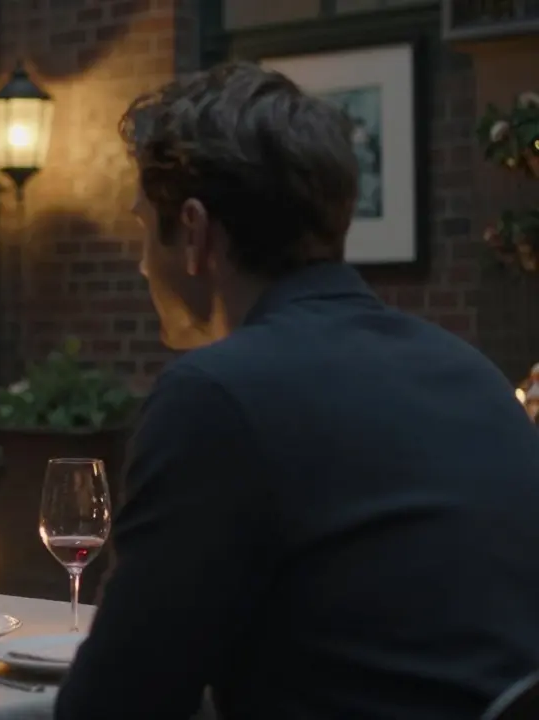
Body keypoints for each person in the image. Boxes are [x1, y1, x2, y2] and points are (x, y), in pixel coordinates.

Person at [56, 62, 539, 719]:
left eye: (144, 228)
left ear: (194, 232)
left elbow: (115, 706)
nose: (143, 264)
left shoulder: (215, 398)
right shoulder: (472, 375)